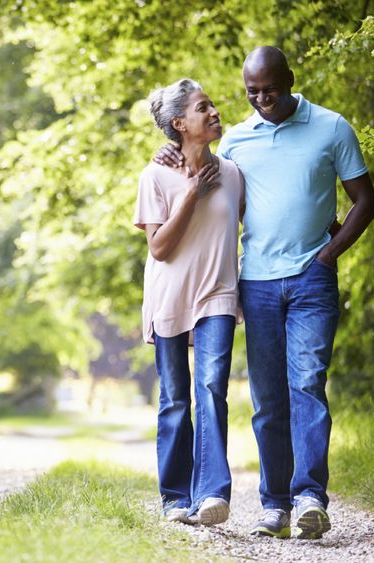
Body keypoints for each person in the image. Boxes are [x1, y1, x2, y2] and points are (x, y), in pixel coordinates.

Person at [155, 46, 374, 539]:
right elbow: (203, 178)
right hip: (255, 281)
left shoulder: (332, 127)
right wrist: (168, 150)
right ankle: (274, 504)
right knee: (268, 397)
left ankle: (309, 497)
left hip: (311, 278)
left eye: (270, 90)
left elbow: (366, 201)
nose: (261, 100)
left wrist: (330, 253)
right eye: (252, 92)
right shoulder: (236, 141)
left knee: (308, 383)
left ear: (290, 80)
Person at [134, 78, 245, 527]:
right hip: (170, 299)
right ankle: (175, 498)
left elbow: (259, 225)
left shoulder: (234, 173)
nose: (215, 111)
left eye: (212, 104)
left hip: (218, 293)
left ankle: (212, 494)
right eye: (204, 107)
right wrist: (191, 192)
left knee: (212, 386)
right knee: (176, 397)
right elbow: (159, 248)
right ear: (180, 123)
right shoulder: (155, 175)